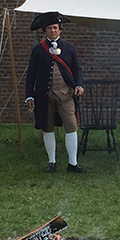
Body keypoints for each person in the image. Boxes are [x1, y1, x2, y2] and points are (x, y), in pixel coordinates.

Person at [25, 11, 88, 173]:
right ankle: (51, 162)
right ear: (45, 31)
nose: (52, 31)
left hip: (66, 95)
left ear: (60, 30)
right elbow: (31, 74)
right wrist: (29, 95)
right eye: (49, 28)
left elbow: (77, 70)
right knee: (47, 127)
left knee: (71, 126)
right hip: (44, 96)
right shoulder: (38, 49)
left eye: (55, 28)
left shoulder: (69, 48)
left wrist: (79, 85)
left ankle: (72, 163)